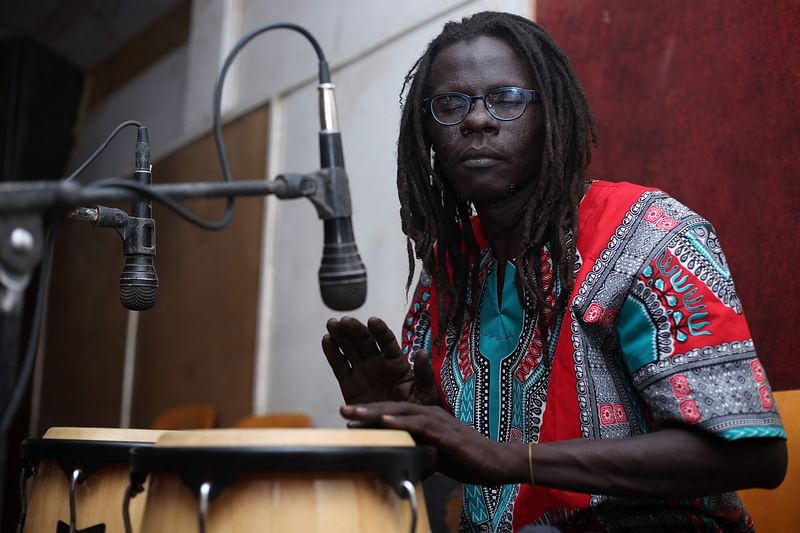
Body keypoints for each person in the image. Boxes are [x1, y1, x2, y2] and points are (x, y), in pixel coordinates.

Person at [321, 11, 787, 532]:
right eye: (451, 104)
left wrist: (516, 459)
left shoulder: (651, 235)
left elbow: (757, 458)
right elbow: (457, 471)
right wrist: (398, 432)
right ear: (426, 131)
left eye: (507, 97)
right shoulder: (446, 273)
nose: (477, 119)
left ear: (552, 116)